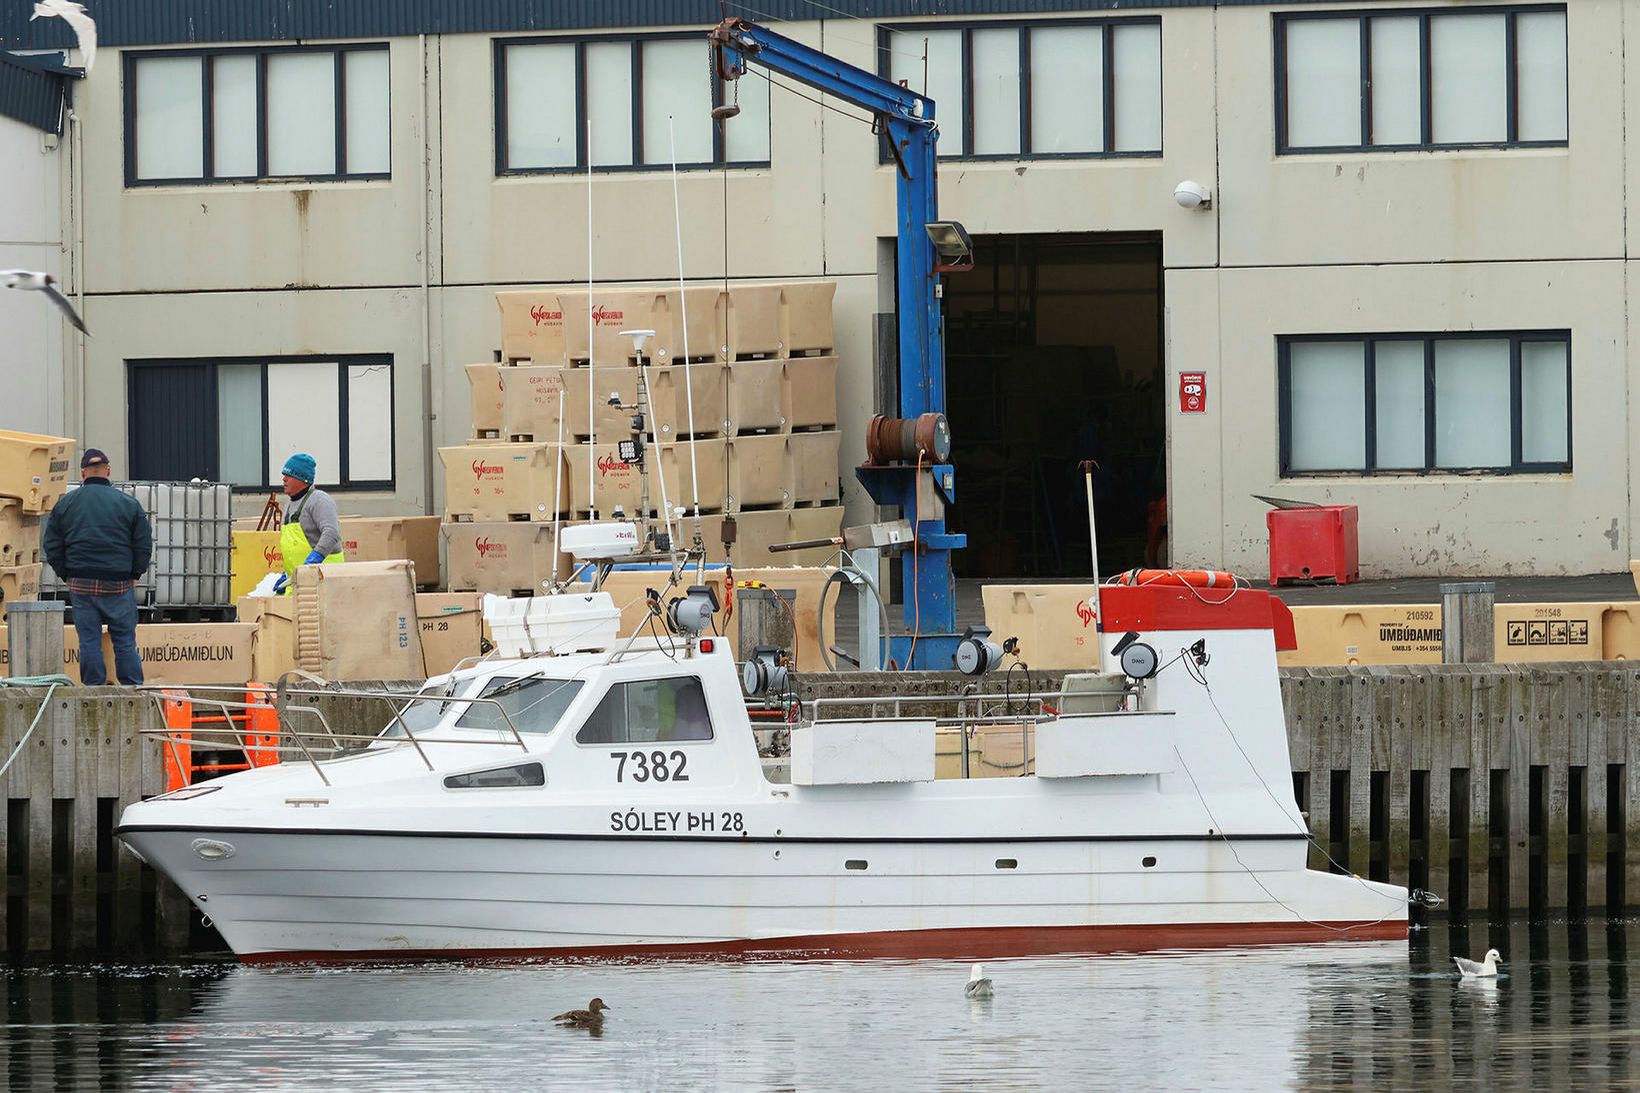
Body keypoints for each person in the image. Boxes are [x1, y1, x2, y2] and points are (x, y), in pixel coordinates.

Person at [40, 448, 153, 686]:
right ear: (108, 470)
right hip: (119, 583)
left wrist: (66, 574)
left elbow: (51, 545)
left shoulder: (65, 505)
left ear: (83, 474)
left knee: (89, 641)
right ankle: (132, 689)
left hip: (81, 583)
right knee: (124, 641)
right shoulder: (129, 504)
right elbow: (142, 544)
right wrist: (135, 573)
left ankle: (92, 691)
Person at [273, 453, 345, 594]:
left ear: (303, 479)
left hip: (322, 578)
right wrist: (286, 574)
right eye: (284, 475)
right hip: (299, 581)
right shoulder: (288, 505)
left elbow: (331, 533)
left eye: (289, 475)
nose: (284, 479)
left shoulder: (319, 500)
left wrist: (315, 560)